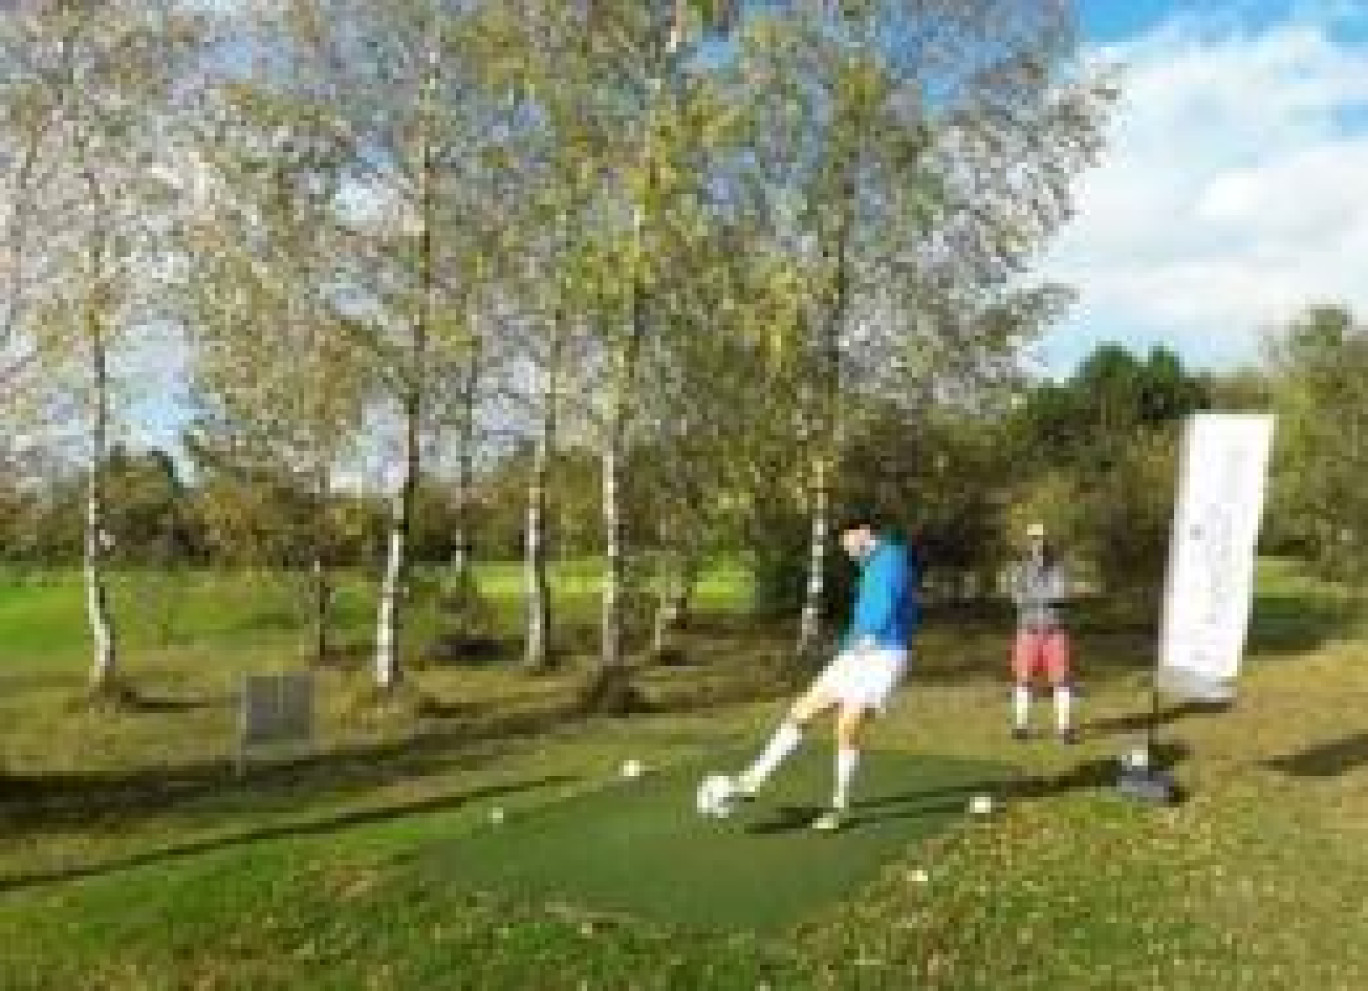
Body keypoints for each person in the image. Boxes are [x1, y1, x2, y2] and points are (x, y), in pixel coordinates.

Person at [736, 514, 920, 832]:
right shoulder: (869, 566)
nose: (847, 550)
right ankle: (752, 780)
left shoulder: (891, 561)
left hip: (884, 656)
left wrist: (862, 639)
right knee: (801, 710)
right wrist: (846, 646)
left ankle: (840, 805)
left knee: (846, 726)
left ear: (864, 532)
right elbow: (867, 618)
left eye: (848, 541)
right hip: (855, 654)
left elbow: (882, 612)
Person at [1008, 522, 1077, 743]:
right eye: (1034, 539)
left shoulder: (1058, 567)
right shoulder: (1019, 569)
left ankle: (1064, 730)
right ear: (1028, 543)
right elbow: (1016, 598)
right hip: (1027, 631)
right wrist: (1041, 595)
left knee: (1062, 681)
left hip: (1054, 631)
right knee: (1022, 680)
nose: (1038, 543)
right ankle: (1020, 727)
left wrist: (1032, 596)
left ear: (1047, 541)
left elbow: (1062, 593)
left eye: (1041, 539)